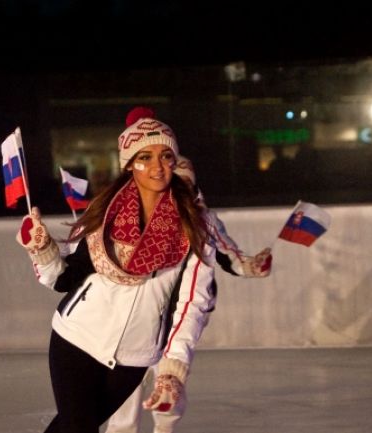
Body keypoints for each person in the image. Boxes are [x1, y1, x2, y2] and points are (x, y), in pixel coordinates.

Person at [15, 107, 217, 433]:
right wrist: (42, 248)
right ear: (129, 165)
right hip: (77, 338)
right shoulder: (106, 213)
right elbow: (64, 277)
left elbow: (192, 303)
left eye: (166, 156)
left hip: (135, 356)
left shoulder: (195, 224)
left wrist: (172, 369)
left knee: (71, 427)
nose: (157, 166)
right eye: (145, 157)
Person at [106, 155, 273, 433]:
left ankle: (165, 427)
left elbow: (227, 255)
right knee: (126, 387)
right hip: (135, 318)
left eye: (186, 185)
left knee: (169, 385)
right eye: (174, 185)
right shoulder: (135, 215)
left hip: (177, 319)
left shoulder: (203, 220)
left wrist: (250, 265)